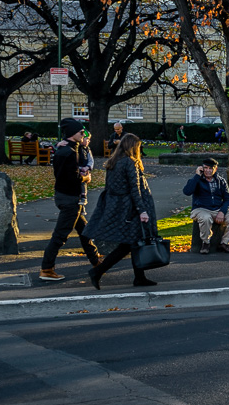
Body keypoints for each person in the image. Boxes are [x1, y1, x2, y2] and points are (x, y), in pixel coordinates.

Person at [86, 133, 159, 289]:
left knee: (132, 243)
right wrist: (142, 210)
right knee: (129, 244)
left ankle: (139, 277)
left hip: (119, 207)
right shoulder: (130, 162)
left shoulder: (113, 162)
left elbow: (111, 188)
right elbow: (135, 189)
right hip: (130, 209)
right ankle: (98, 271)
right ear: (133, 147)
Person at [40, 118, 102, 281]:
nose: (83, 135)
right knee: (60, 235)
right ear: (73, 134)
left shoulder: (67, 148)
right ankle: (46, 269)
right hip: (70, 198)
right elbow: (69, 178)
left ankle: (96, 261)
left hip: (66, 196)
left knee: (85, 231)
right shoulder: (68, 152)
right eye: (81, 132)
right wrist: (85, 178)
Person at [183, 157, 229, 255]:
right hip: (200, 209)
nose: (208, 170)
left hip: (218, 209)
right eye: (205, 168)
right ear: (202, 168)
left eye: (211, 168)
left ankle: (224, 243)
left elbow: (228, 199)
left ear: (215, 169)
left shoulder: (221, 181)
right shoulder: (197, 180)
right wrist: (197, 175)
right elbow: (187, 191)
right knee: (205, 218)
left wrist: (222, 212)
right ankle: (205, 243)